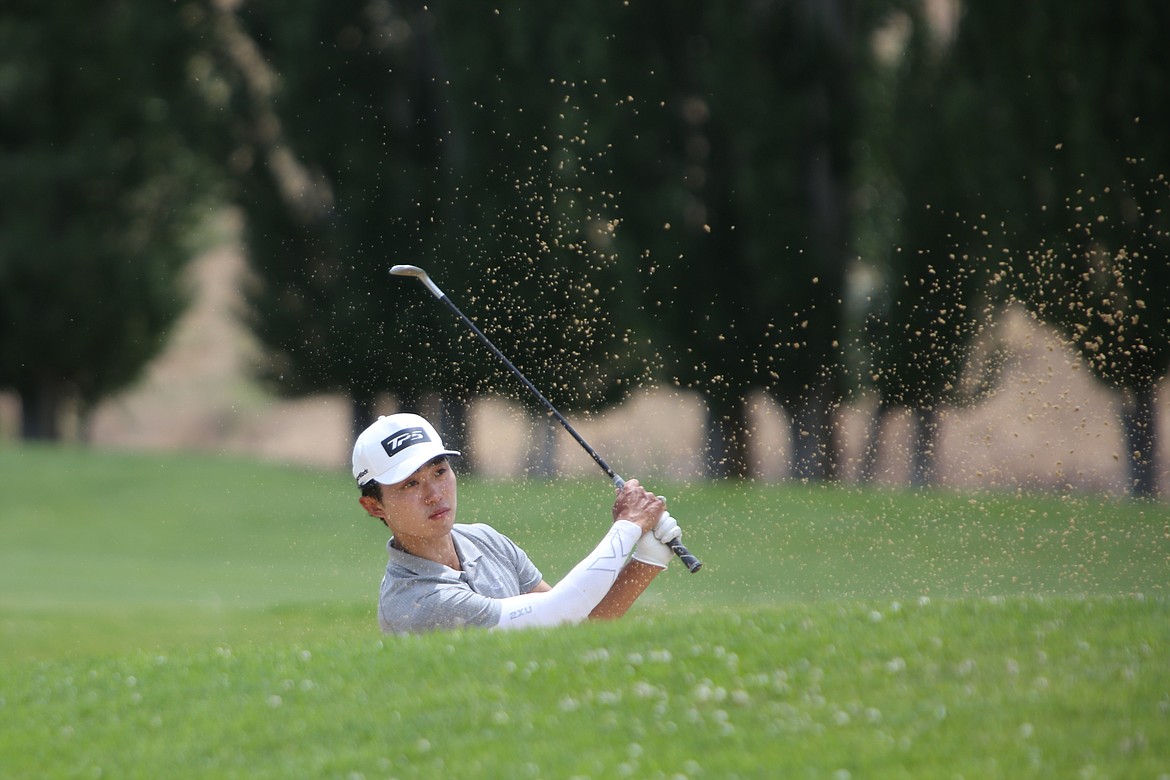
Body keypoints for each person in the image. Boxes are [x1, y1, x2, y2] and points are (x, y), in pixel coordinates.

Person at [352, 413, 683, 634]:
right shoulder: (415, 601)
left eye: (439, 472)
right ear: (373, 506)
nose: (434, 494)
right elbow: (559, 611)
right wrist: (627, 528)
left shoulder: (484, 540)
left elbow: (572, 627)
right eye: (410, 484)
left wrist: (648, 559)